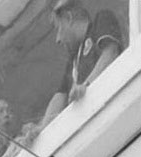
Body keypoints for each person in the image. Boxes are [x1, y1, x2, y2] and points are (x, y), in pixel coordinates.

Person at [30, 3, 123, 136]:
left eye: (58, 28)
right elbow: (60, 95)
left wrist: (86, 85)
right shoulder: (73, 61)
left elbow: (110, 52)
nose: (58, 39)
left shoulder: (100, 20)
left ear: (69, 18)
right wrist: (41, 128)